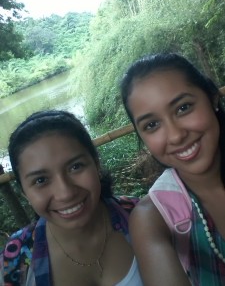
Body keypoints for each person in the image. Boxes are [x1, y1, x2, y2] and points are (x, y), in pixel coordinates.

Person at [0, 110, 143, 286]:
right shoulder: (15, 260)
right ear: (24, 192)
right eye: (41, 180)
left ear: (96, 164)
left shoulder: (144, 218)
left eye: (76, 167)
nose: (65, 193)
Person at [120, 53, 225, 285]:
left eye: (183, 108)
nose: (176, 136)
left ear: (212, 98)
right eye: (152, 125)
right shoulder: (153, 217)